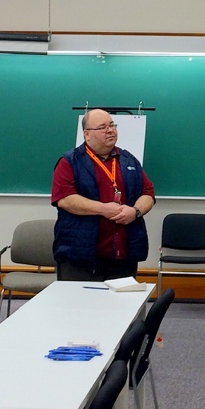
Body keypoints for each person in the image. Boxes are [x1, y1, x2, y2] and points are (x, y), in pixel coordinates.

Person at [51, 108, 155, 281]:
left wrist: (135, 211)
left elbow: (148, 193)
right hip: (80, 255)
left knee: (122, 306)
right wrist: (103, 209)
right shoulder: (70, 161)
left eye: (112, 125)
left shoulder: (129, 160)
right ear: (87, 134)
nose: (110, 130)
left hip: (123, 254)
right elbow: (64, 199)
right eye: (102, 127)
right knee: (79, 306)